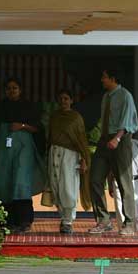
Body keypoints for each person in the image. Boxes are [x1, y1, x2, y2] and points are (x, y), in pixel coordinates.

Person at [0, 77, 45, 233]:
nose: (11, 91)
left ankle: (25, 221)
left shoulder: (28, 107)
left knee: (20, 183)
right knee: (4, 182)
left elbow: (37, 129)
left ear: (20, 90)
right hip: (4, 150)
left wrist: (22, 126)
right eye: (9, 88)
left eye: (15, 88)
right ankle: (7, 221)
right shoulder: (0, 106)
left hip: (22, 150)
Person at [89, 68, 138, 235]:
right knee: (95, 179)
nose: (101, 80)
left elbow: (126, 120)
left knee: (124, 182)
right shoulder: (106, 97)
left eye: (104, 77)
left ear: (112, 78)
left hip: (120, 139)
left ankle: (130, 223)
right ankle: (103, 220)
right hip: (105, 140)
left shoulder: (125, 95)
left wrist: (117, 138)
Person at [48, 89, 91, 234]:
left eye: (66, 98)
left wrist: (84, 159)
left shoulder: (76, 118)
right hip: (54, 153)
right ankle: (63, 218)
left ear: (71, 101)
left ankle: (68, 220)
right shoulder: (54, 117)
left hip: (71, 155)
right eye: (61, 98)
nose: (63, 101)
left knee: (68, 187)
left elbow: (81, 140)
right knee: (56, 186)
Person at [108, 138, 138, 231]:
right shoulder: (115, 144)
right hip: (118, 180)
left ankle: (134, 231)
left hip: (134, 180)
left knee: (136, 210)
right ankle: (123, 232)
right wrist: (109, 184)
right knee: (120, 209)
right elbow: (110, 167)